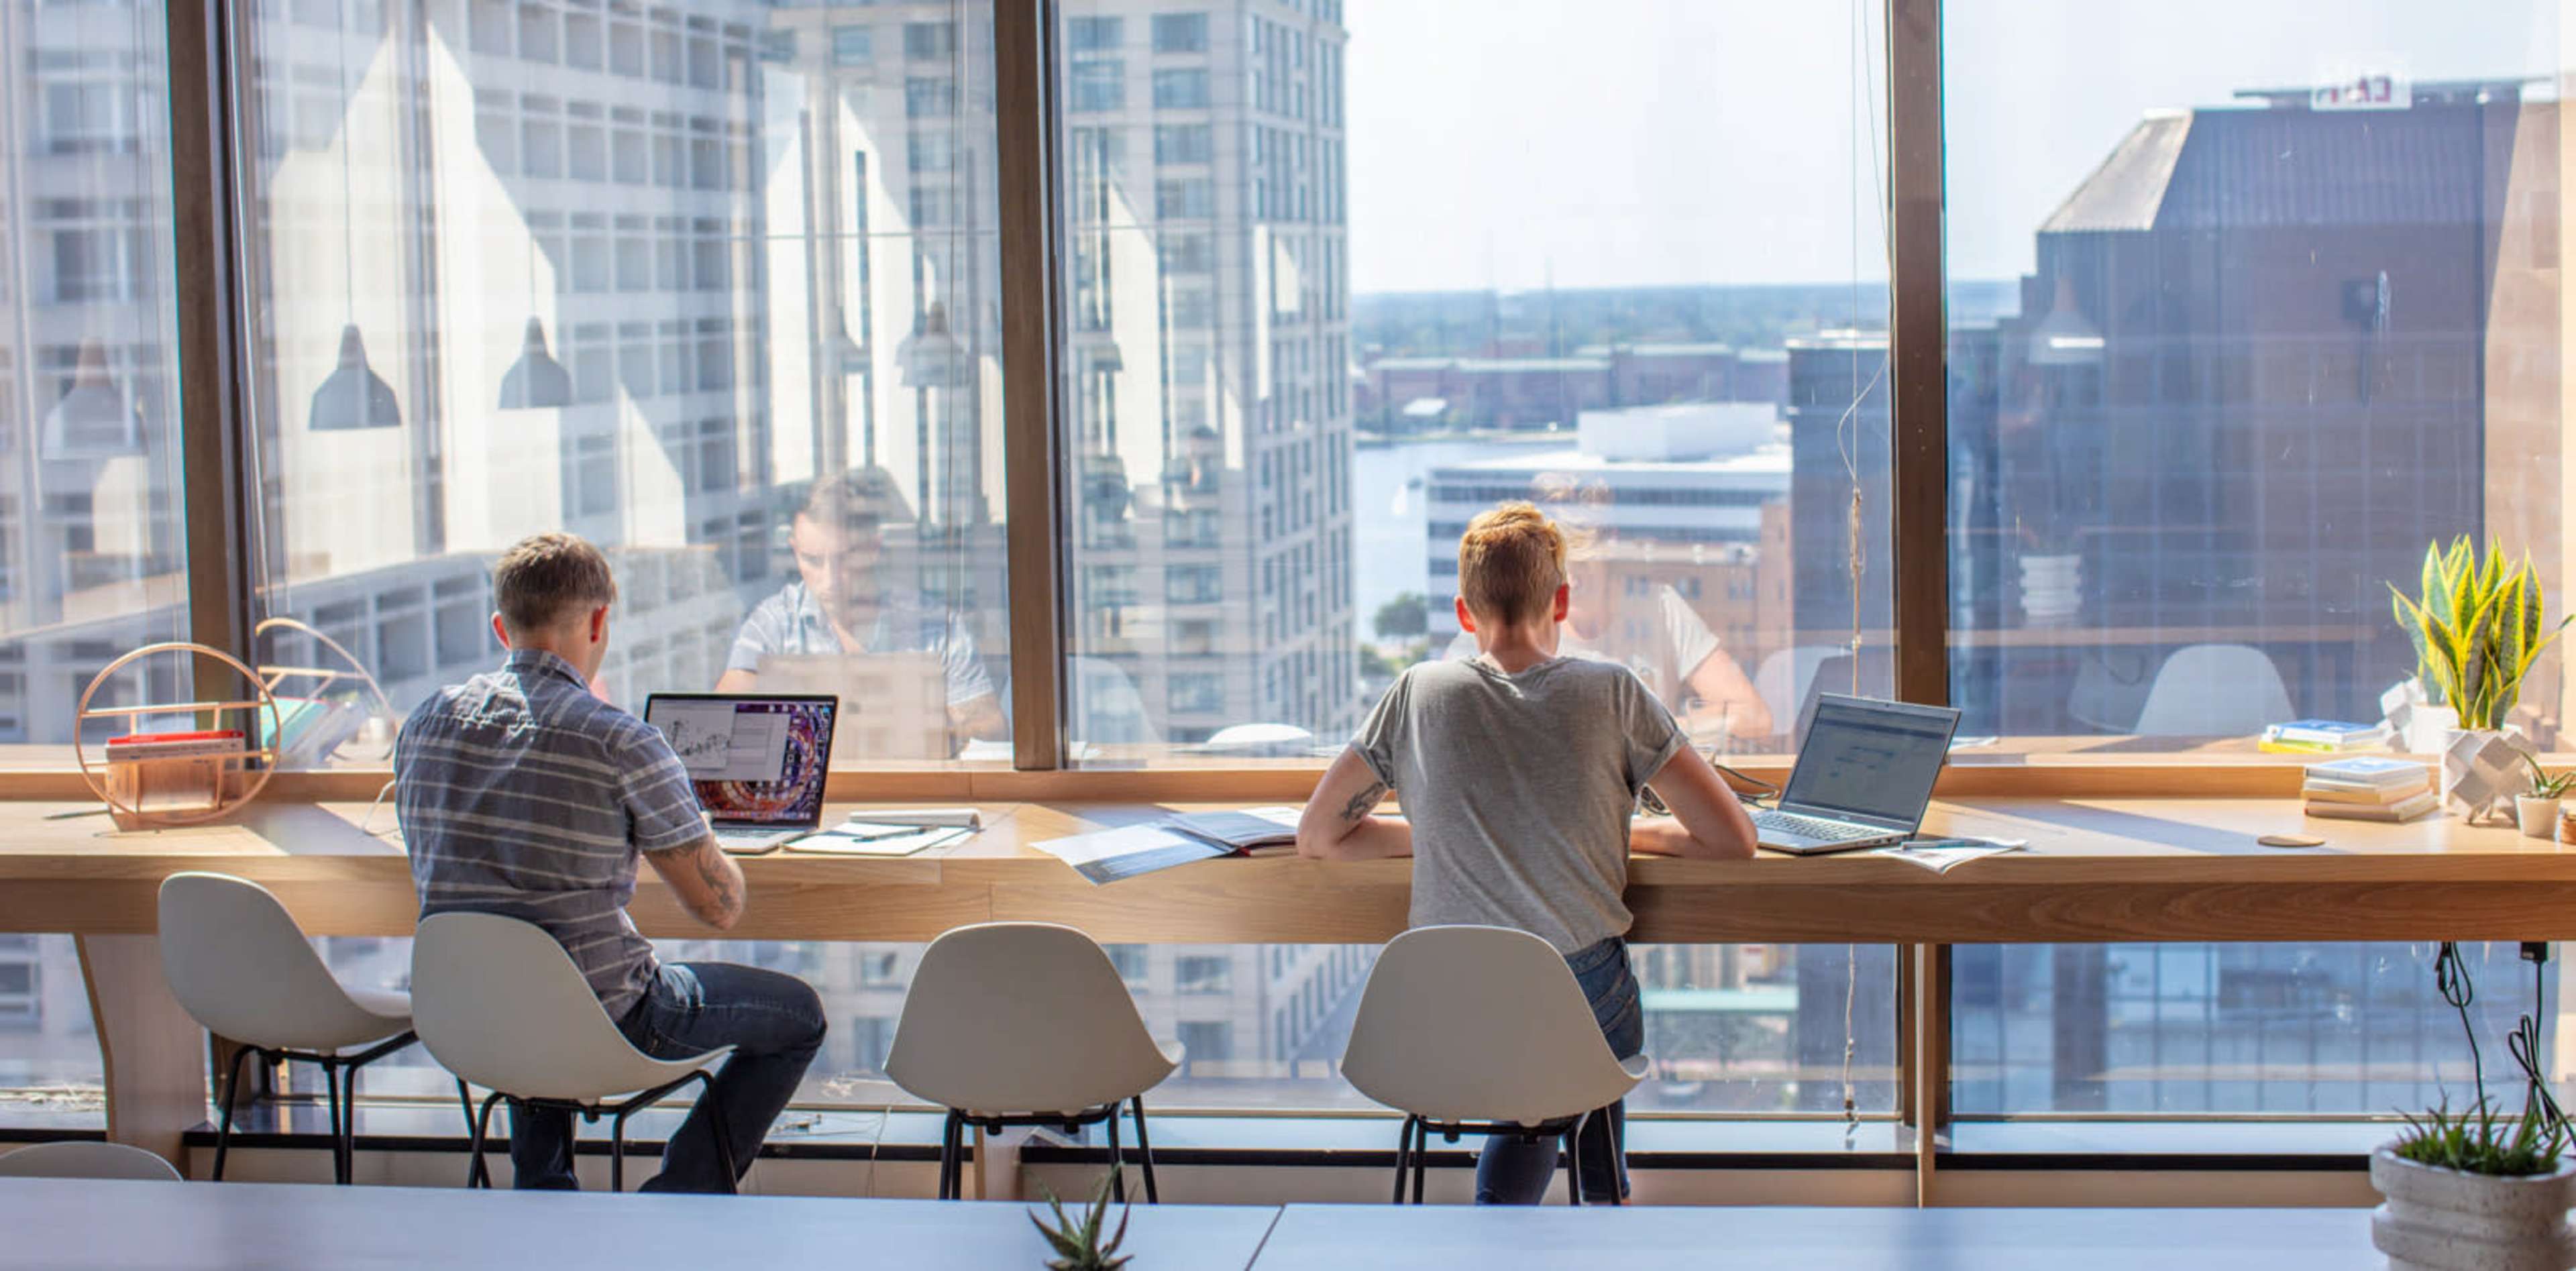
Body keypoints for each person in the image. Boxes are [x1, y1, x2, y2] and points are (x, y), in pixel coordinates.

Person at [1299, 502, 1756, 1205]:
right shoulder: (1612, 691)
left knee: (1531, 1054)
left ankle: (1525, 1210)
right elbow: (1732, 839)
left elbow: (1319, 836)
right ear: (1563, 601)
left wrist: (1456, 832)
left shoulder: (1418, 691)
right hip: (1575, 993)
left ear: (1463, 611)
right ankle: (1596, 1203)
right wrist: (1612, 829)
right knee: (1574, 1014)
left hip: (1444, 999)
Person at [396, 532, 825, 1193]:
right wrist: (691, 821)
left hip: (467, 1014)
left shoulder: (426, 721)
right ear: (600, 620)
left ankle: (545, 1196)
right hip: (608, 1018)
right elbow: (719, 907)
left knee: (526, 984)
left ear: (500, 627)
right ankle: (682, 1192)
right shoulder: (620, 740)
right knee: (798, 1015)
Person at [1437, 473, 1770, 744]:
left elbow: (1754, 716)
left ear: (1610, 540)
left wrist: (1642, 728)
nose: (1571, 575)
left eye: (1585, 555)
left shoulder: (1659, 608)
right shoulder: (1512, 616)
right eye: (1560, 560)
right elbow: (1444, 715)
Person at [716, 467, 1006, 747]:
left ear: (874, 548)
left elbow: (992, 728)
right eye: (813, 560)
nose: (830, 580)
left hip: (910, 791)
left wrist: (928, 723)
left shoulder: (935, 625)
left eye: (846, 559)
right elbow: (721, 721)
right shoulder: (773, 624)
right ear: (795, 550)